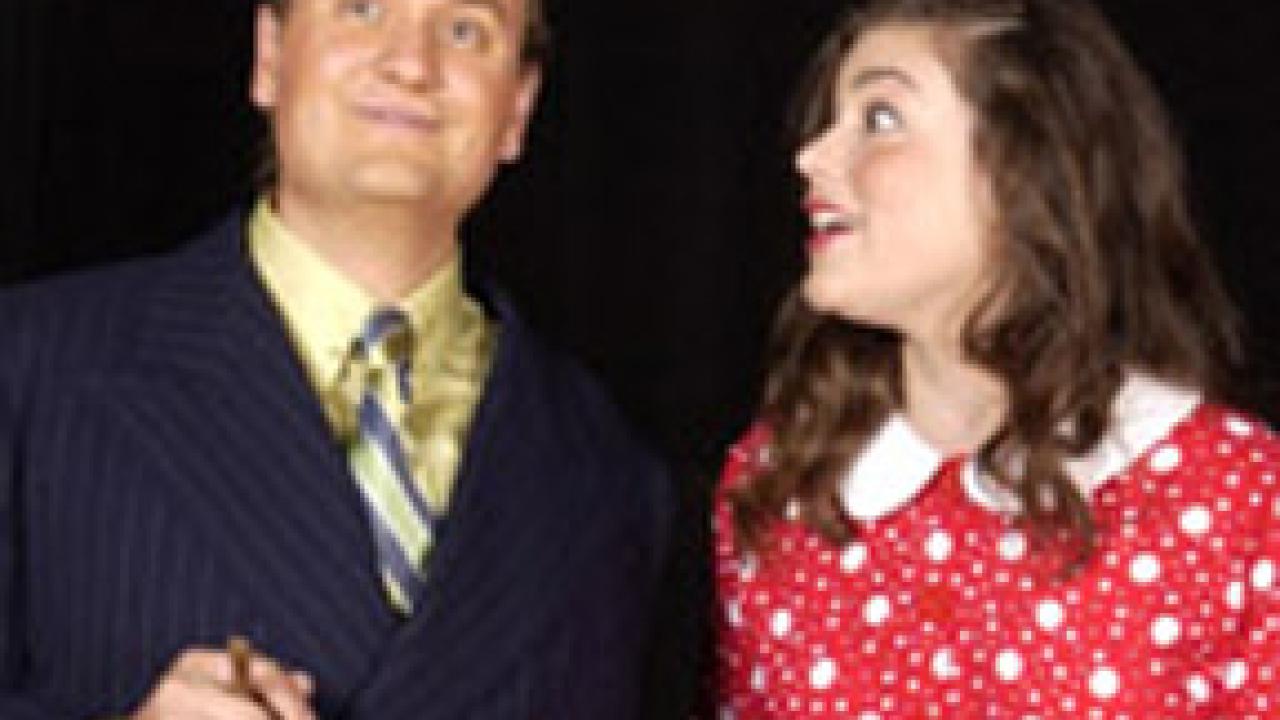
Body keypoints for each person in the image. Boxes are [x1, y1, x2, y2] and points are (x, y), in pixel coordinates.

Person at [0, 0, 674, 717]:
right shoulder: (31, 369)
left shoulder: (613, 476)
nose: (411, 65)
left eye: (464, 30)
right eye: (362, 9)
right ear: (270, 53)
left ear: (518, 106)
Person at [713, 0, 1280, 717]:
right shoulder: (776, 487)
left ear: (1026, 166)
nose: (812, 157)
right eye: (829, 121)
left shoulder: (1237, 497)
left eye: (880, 118)